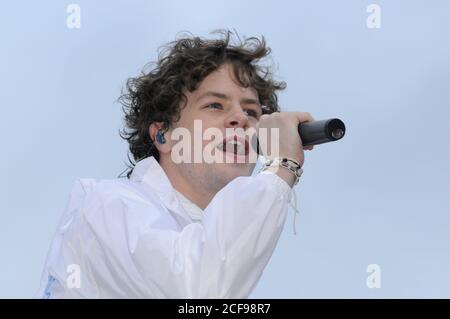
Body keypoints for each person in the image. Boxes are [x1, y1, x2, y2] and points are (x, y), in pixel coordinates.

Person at [36, 30, 314, 298]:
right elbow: (196, 290)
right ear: (163, 134)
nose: (240, 119)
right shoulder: (106, 205)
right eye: (215, 105)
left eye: (252, 111)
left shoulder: (224, 244)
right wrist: (282, 167)